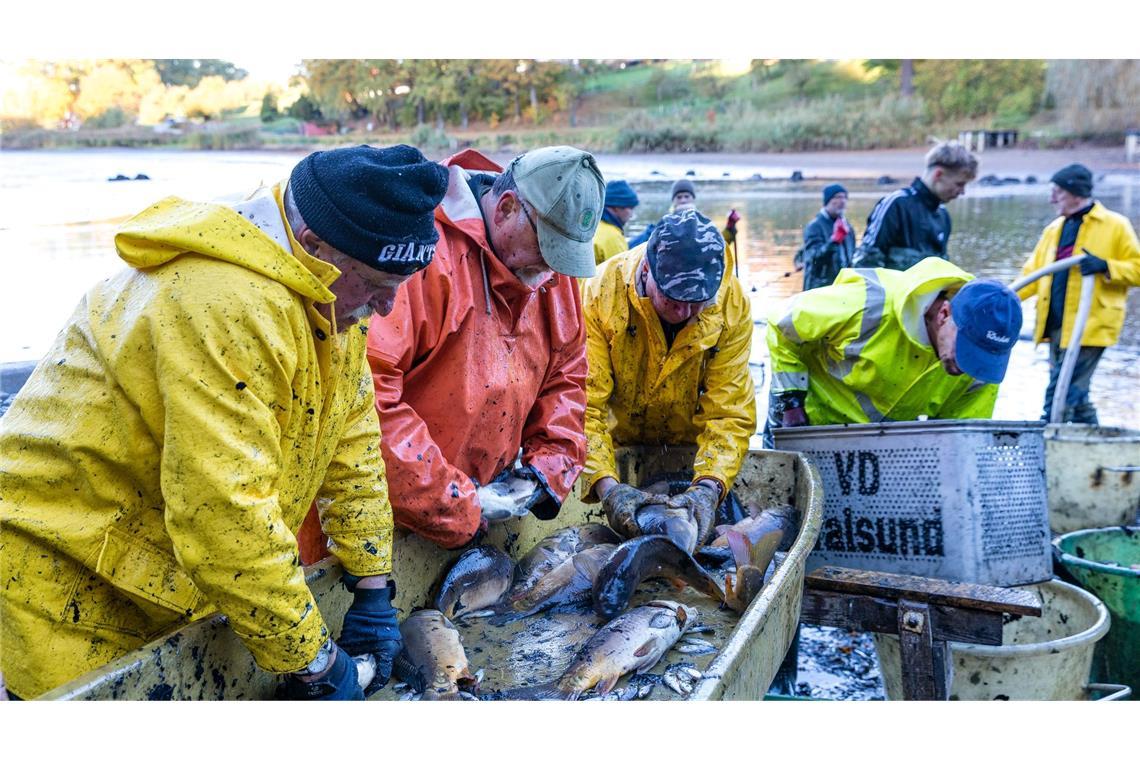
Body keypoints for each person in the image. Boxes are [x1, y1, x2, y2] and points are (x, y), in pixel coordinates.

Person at [0, 145, 449, 701]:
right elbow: (224, 512)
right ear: (315, 246)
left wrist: (373, 587)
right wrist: (314, 659)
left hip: (166, 577)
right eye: (378, 286)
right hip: (66, 585)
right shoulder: (223, 303)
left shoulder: (330, 301)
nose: (387, 308)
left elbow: (351, 446)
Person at [366, 146, 604, 549]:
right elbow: (370, 396)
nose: (551, 271)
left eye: (564, 257)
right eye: (546, 249)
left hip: (480, 512)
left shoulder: (549, 272)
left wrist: (544, 472)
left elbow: (567, 377)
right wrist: (456, 500)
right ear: (507, 206)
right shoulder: (422, 252)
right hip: (379, 513)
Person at [581, 209, 756, 549]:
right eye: (674, 301)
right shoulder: (600, 291)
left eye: (698, 304)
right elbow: (585, 406)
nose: (685, 313)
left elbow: (728, 410)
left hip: (692, 450)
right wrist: (608, 487)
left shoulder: (731, 302)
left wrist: (708, 488)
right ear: (647, 271)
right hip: (618, 447)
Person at [765, 257, 1022, 445]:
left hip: (881, 442)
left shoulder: (981, 368)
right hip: (806, 421)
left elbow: (961, 436)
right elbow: (782, 324)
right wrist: (791, 403)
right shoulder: (868, 303)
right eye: (966, 350)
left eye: (982, 358)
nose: (966, 366)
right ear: (944, 314)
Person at [1017, 163, 1140, 423]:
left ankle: (1047, 443)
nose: (1052, 198)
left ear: (1076, 193)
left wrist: (1107, 266)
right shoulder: (1053, 230)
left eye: (1058, 192)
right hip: (1056, 326)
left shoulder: (1115, 225)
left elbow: (1137, 268)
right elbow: (1032, 275)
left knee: (1063, 390)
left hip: (1090, 326)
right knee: (1075, 394)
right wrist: (1004, 298)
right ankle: (1099, 447)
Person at [854, 141, 979, 271]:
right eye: (959, 184)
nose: (963, 192)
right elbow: (865, 264)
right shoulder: (896, 204)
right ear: (938, 175)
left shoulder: (943, 216)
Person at [795, 184, 856, 290]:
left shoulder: (847, 227)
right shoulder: (815, 226)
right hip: (819, 288)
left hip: (843, 286)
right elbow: (813, 258)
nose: (842, 201)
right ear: (827, 201)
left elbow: (852, 258)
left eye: (844, 197)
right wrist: (834, 242)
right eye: (837, 197)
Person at [627, 178, 698, 249]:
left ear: (693, 199)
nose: (683, 200)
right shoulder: (663, 225)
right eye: (679, 197)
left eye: (686, 196)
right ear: (673, 201)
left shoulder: (702, 223)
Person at [593, 179, 640, 265]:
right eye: (630, 208)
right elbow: (621, 274)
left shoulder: (593, 226)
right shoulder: (612, 236)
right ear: (617, 207)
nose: (631, 215)